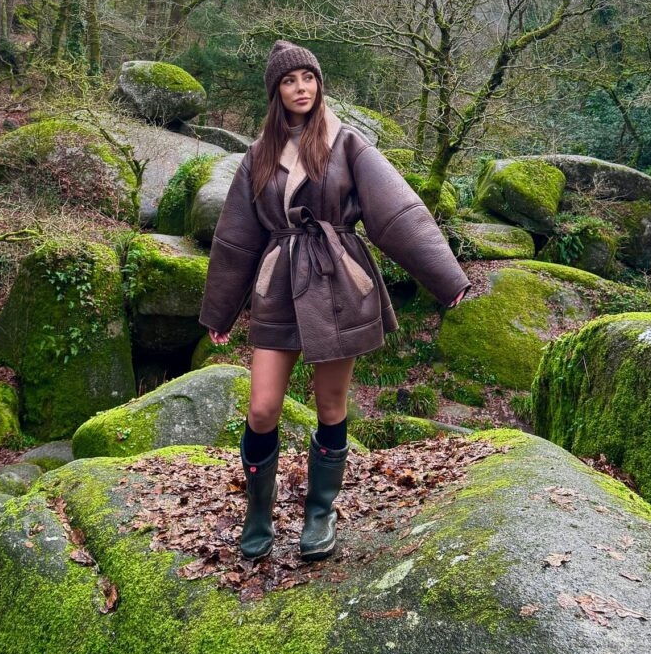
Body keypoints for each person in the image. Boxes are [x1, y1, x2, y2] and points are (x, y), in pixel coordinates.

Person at [199, 40, 469, 562]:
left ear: (318, 84)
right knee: (261, 409)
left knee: (330, 406)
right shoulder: (256, 157)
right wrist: (220, 310)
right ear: (276, 92)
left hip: (337, 282)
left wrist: (447, 279)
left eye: (308, 78)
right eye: (289, 81)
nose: (301, 88)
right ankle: (259, 514)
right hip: (277, 285)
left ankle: (318, 513)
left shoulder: (347, 144)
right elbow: (235, 239)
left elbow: (398, 215)